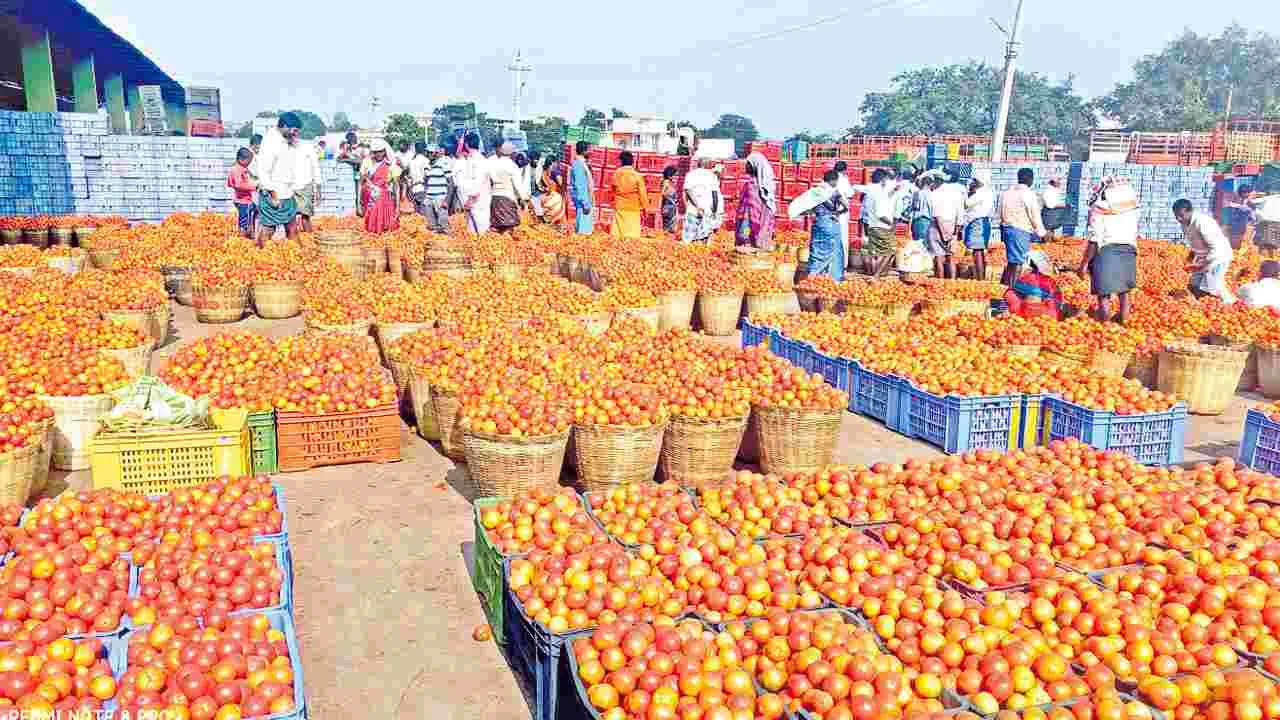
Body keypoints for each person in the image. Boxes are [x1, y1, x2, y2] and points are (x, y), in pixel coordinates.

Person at [1079, 177, 1140, 324]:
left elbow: (1094, 239)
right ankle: (1124, 323)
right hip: (1128, 250)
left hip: (1106, 251)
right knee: (1124, 291)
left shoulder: (1099, 209)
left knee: (1103, 293)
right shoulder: (1132, 208)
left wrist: (1084, 263)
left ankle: (1105, 326)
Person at [789, 170, 847, 280]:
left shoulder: (815, 192)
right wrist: (836, 213)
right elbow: (846, 207)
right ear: (834, 180)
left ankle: (813, 276)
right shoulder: (835, 193)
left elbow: (803, 207)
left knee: (817, 250)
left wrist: (813, 213)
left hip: (819, 223)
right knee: (834, 250)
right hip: (832, 223)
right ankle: (832, 279)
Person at [254, 113, 302, 246]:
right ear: (285, 126)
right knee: (269, 229)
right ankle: (258, 255)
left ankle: (301, 256)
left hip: (287, 193)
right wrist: (273, 195)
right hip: (274, 194)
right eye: (294, 130)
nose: (296, 134)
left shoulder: (287, 140)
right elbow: (263, 172)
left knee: (292, 228)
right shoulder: (271, 142)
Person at [1176, 198, 1236, 304]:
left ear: (1190, 211)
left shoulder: (1202, 222)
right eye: (1176, 216)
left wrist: (1205, 264)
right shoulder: (1184, 224)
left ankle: (1229, 304)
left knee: (1214, 283)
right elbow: (1194, 244)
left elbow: (1216, 247)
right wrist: (1191, 259)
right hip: (1204, 256)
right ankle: (1198, 304)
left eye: (1181, 215)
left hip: (1218, 256)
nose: (1178, 218)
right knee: (1194, 283)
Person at [851, 169, 907, 277]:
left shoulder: (871, 190)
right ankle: (876, 275)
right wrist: (891, 224)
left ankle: (872, 272)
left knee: (873, 250)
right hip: (882, 225)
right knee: (889, 251)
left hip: (871, 224)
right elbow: (882, 213)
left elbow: (855, 187)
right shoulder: (880, 192)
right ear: (883, 179)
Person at [998, 167, 1048, 287]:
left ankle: (1005, 287)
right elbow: (1034, 216)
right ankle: (1012, 291)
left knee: (1012, 261)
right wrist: (1042, 233)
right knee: (1018, 262)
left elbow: (999, 212)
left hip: (1006, 229)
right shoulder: (1029, 195)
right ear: (1031, 180)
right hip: (1020, 231)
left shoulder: (1007, 192)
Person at [735, 151, 777, 250]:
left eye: (748, 164)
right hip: (754, 223)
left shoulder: (754, 185)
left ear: (755, 166)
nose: (746, 166)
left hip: (748, 223)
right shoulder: (766, 185)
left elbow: (752, 207)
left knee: (746, 238)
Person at [454, 131, 493, 235]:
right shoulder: (470, 160)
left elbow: (479, 182)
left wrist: (470, 200)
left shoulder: (479, 161)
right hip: (470, 202)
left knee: (481, 229)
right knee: (472, 231)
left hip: (477, 202)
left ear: (466, 145)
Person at [359, 138, 401, 234]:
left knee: (386, 226)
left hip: (385, 201)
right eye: (376, 152)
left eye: (381, 151)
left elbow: (396, 187)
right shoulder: (367, 163)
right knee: (371, 226)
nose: (378, 154)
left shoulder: (391, 166)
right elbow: (361, 183)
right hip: (370, 200)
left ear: (385, 152)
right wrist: (359, 203)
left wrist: (398, 207)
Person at [1006, 250, 1062, 319]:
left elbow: (1010, 294)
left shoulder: (1027, 278)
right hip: (1051, 317)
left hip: (1031, 317)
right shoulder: (1051, 281)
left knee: (1011, 294)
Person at [929, 171, 965, 279]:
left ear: (937, 181)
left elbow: (936, 215)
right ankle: (952, 282)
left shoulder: (935, 193)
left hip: (937, 225)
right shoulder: (957, 193)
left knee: (939, 257)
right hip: (952, 225)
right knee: (951, 257)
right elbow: (960, 216)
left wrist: (942, 232)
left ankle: (940, 283)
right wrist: (955, 233)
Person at [963, 169, 994, 282]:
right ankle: (980, 276)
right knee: (979, 251)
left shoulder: (981, 193)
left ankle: (980, 278)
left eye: (975, 181)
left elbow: (966, 204)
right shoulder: (989, 191)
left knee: (977, 251)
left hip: (977, 222)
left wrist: (970, 191)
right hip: (984, 222)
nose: (973, 182)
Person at [682, 160, 723, 244]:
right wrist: (714, 211)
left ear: (698, 164)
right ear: (707, 165)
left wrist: (696, 206)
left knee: (688, 239)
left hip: (692, 210)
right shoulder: (711, 176)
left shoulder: (690, 174)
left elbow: (688, 191)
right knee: (704, 238)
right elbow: (715, 195)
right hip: (707, 211)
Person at [610, 151, 649, 240]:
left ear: (621, 161)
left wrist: (613, 201)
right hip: (633, 207)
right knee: (632, 236)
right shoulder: (637, 175)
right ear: (632, 161)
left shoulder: (616, 173)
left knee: (617, 235)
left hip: (619, 205)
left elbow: (612, 189)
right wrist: (645, 208)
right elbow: (642, 194)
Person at [489, 142, 524, 233]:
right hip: (507, 197)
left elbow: (491, 180)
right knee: (508, 227)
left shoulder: (494, 164)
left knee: (497, 227)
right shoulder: (512, 166)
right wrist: (522, 198)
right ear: (512, 154)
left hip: (494, 197)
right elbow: (518, 185)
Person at [227, 147, 258, 240]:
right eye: (248, 161)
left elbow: (231, 183)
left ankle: (249, 235)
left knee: (253, 213)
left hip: (243, 200)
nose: (249, 164)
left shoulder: (239, 168)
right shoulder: (237, 170)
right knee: (244, 221)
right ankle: (242, 239)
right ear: (241, 159)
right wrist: (253, 187)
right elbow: (238, 184)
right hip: (244, 201)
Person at [293, 138, 321, 233]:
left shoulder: (307, 147)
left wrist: (318, 189)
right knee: (290, 217)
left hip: (305, 185)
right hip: (290, 187)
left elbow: (315, 167)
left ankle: (308, 240)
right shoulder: (283, 147)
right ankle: (294, 242)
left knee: (305, 216)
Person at [421, 145, 452, 233]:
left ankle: (447, 244)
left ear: (436, 153)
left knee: (443, 225)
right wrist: (425, 197)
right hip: (429, 198)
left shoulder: (443, 163)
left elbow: (451, 183)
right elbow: (426, 182)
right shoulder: (427, 165)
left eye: (431, 152)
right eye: (427, 152)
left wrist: (447, 200)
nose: (428, 154)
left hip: (440, 198)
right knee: (432, 225)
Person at [570, 141, 595, 235]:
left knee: (585, 227)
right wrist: (586, 203)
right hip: (583, 202)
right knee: (583, 231)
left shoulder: (582, 164)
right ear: (584, 151)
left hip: (585, 200)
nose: (591, 152)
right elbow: (580, 186)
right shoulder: (578, 165)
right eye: (589, 150)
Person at [834, 161, 854, 266]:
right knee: (842, 237)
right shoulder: (844, 180)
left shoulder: (830, 178)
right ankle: (842, 263)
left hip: (830, 212)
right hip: (842, 212)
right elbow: (850, 194)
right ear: (844, 170)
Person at [1252, 191, 1280, 256]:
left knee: (1263, 244)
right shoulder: (1269, 198)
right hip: (1278, 224)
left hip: (1266, 223)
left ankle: (1263, 259)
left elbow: (1250, 202)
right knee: (1275, 245)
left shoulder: (1266, 198)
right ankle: (1273, 260)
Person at [541, 156, 567, 226]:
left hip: (544, 196)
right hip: (553, 196)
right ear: (554, 162)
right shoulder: (555, 170)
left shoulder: (543, 170)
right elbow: (560, 182)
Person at [660, 167, 679, 235]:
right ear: (669, 175)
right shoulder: (666, 182)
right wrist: (670, 199)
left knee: (669, 228)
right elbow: (662, 193)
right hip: (668, 207)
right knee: (669, 229)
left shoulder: (669, 182)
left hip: (670, 207)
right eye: (674, 175)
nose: (675, 177)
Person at [526, 150, 544, 219]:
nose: (536, 162)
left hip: (535, 191)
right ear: (530, 160)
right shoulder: (525, 168)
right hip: (526, 192)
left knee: (538, 207)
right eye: (534, 160)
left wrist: (540, 187)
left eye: (537, 160)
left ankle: (539, 217)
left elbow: (538, 180)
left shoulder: (539, 166)